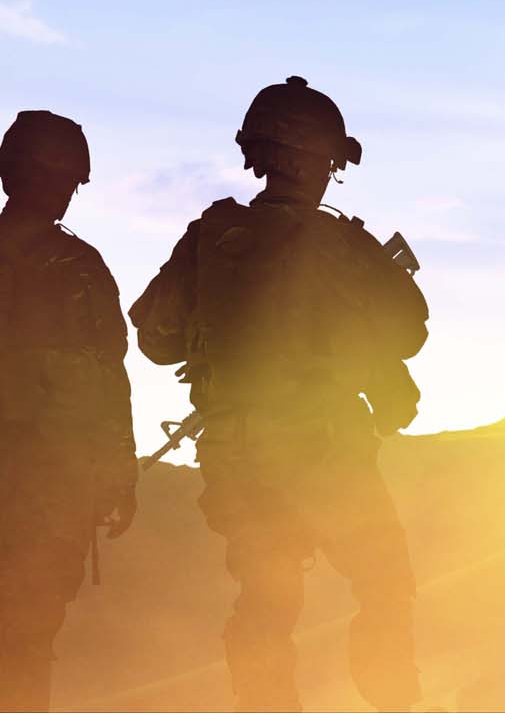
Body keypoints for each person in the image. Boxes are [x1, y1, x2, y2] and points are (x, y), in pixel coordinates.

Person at [129, 76, 428, 712]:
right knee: (384, 583)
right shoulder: (345, 244)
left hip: (238, 454)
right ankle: (394, 701)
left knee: (267, 599)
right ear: (306, 161)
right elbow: (409, 333)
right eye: (328, 165)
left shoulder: (211, 237)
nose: (328, 178)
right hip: (328, 452)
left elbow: (155, 340)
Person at [0, 111, 136, 713]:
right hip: (48, 487)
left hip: (49, 482)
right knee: (28, 640)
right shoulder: (80, 268)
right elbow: (108, 378)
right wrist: (119, 476)